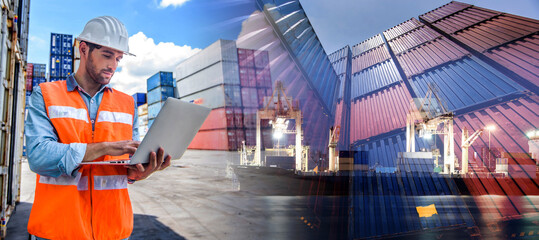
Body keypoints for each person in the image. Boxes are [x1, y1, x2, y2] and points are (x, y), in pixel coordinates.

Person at [25, 16, 171, 240]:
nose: (113, 65)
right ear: (84, 49)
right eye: (107, 55)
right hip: (58, 230)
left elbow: (124, 170)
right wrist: (104, 147)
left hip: (113, 231)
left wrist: (138, 173)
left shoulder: (127, 104)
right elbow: (38, 156)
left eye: (118, 58)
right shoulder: (45, 95)